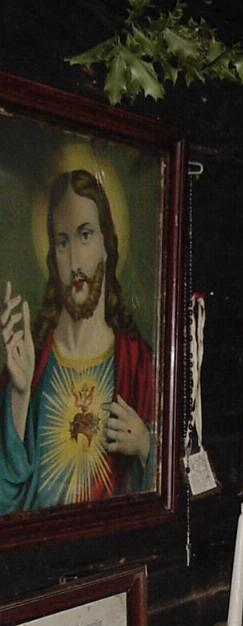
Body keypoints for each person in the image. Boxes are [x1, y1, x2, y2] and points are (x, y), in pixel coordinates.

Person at [0, 168, 154, 513]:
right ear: (52, 256)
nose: (74, 261)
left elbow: (169, 486)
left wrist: (146, 445)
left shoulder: (138, 364)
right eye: (62, 242)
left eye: (85, 235)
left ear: (106, 245)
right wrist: (20, 395)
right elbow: (4, 500)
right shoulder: (32, 364)